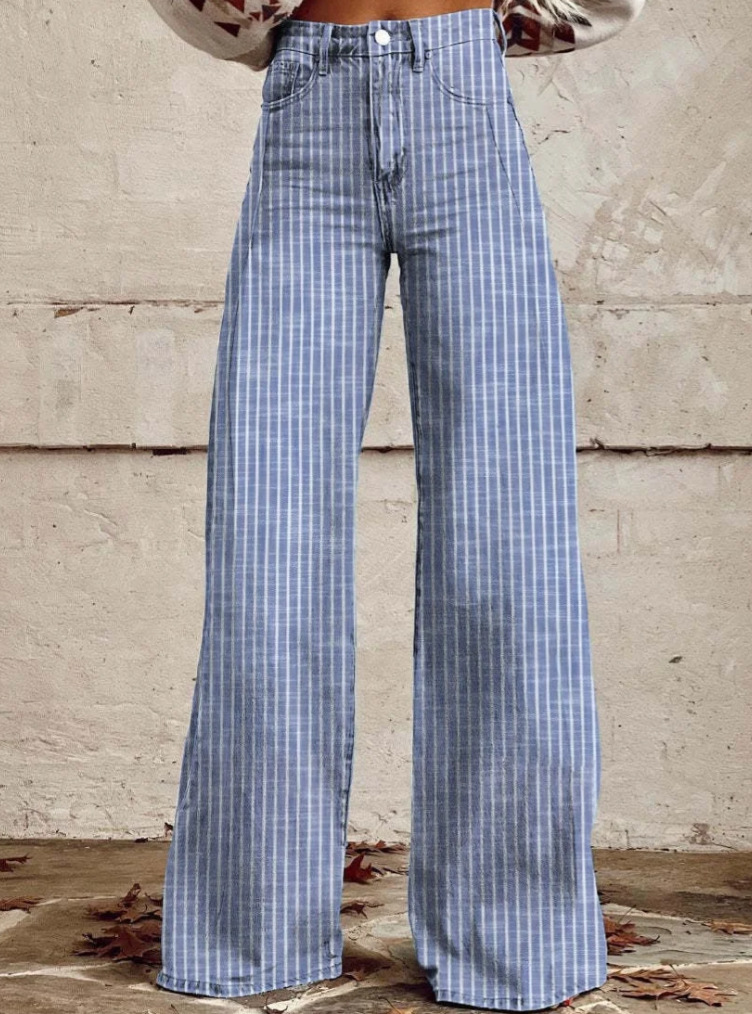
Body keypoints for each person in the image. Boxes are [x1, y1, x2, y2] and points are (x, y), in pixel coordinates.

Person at [151, 1, 645, 1009]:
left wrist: (519, 21)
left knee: (508, 542)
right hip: (308, 103)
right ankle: (251, 933)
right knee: (266, 540)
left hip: (462, 96)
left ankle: (515, 938)